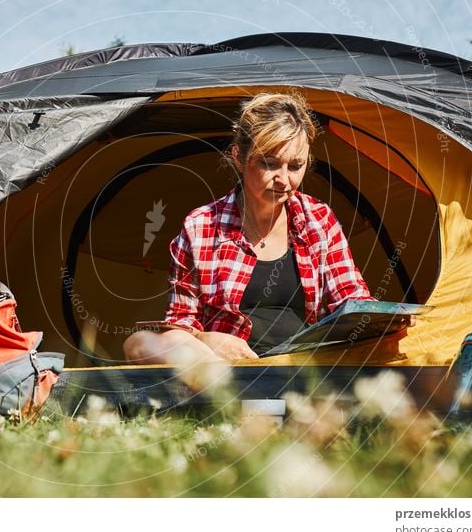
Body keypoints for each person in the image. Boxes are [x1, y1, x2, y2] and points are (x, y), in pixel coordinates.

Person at [124, 92, 372, 364]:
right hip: (222, 368)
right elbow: (180, 324)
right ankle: (230, 395)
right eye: (270, 163)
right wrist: (206, 339)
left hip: (303, 370)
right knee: (139, 344)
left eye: (296, 166)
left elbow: (352, 301)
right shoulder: (201, 226)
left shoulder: (319, 219)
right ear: (239, 158)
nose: (284, 180)